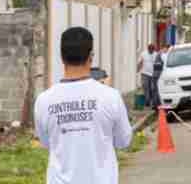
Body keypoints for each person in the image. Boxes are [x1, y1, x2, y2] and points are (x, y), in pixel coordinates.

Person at [34, 27, 132, 184]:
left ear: (61, 57)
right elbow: (123, 140)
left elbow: (47, 142)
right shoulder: (110, 96)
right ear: (91, 56)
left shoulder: (43, 101)